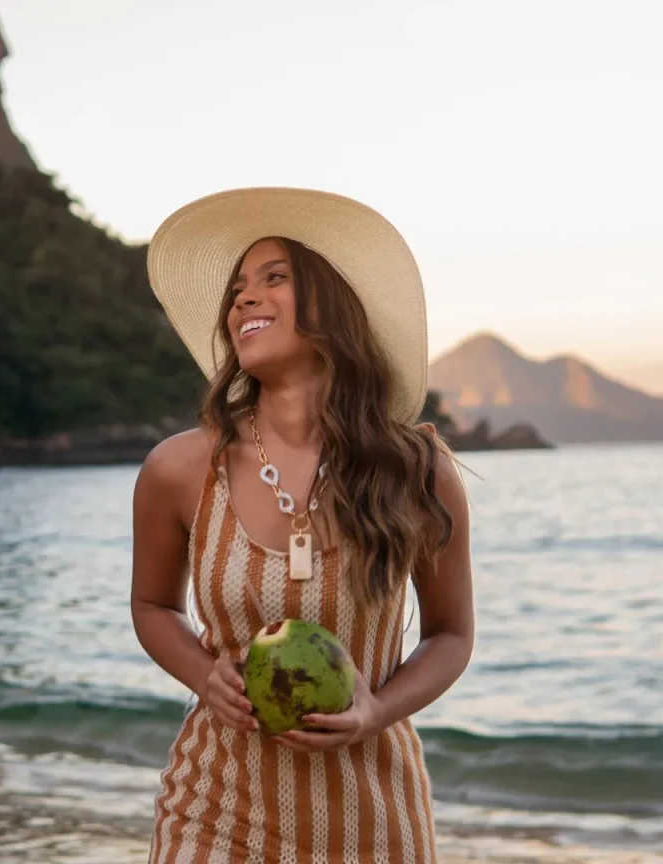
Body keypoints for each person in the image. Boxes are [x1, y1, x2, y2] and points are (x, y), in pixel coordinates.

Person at [130, 188, 475, 863]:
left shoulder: (416, 468)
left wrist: (374, 710)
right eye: (236, 289)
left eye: (274, 278)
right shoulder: (178, 468)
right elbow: (151, 606)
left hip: (372, 821)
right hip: (214, 811)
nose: (243, 299)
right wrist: (205, 675)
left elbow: (452, 634)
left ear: (333, 306)